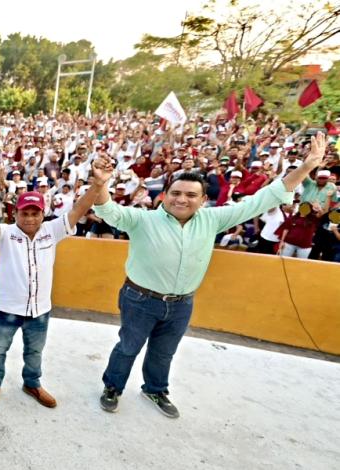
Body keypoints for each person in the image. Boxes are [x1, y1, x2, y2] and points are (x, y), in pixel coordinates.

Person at [94, 133, 328, 419]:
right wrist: (101, 183)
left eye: (191, 195)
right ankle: (112, 387)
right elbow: (108, 210)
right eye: (176, 193)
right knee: (128, 347)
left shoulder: (213, 219)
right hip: (139, 299)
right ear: (165, 195)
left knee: (164, 352)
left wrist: (306, 168)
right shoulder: (143, 219)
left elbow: (262, 199)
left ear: (204, 199)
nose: (182, 199)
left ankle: (155, 389)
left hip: (181, 303)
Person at [0, 165, 104, 409]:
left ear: (43, 214)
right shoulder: (5, 233)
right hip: (7, 309)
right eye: (25, 213)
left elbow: (79, 209)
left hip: (39, 309)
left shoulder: (52, 231)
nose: (30, 218)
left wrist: (97, 186)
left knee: (35, 352)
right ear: (15, 214)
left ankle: (32, 383)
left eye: (35, 213)